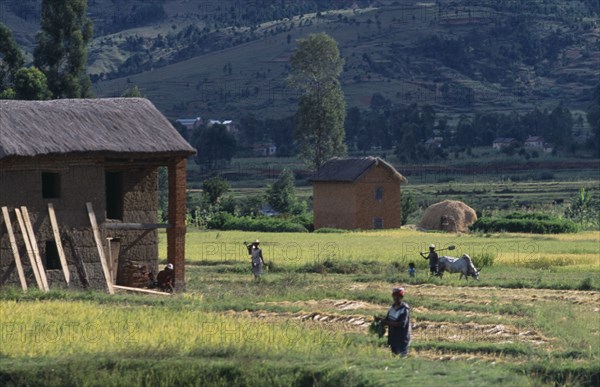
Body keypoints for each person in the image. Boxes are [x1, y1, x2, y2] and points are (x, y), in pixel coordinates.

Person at [381, 287, 411, 357]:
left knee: (401, 357)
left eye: (398, 296)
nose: (396, 298)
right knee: (394, 356)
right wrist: (380, 320)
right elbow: (388, 319)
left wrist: (387, 323)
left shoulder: (404, 309)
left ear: (401, 297)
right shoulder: (392, 308)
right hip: (393, 338)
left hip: (402, 338)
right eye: (395, 296)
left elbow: (402, 324)